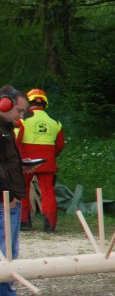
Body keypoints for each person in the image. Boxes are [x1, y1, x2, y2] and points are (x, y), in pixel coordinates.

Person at [0, 86, 40, 296]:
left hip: (9, 197)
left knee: (9, 255)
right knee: (2, 255)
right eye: (19, 110)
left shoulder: (6, 129)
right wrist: (5, 193)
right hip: (4, 198)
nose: (21, 116)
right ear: (4, 104)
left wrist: (20, 166)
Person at [16, 88, 64, 233]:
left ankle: (24, 222)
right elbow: (59, 146)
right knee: (48, 191)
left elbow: (16, 142)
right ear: (45, 103)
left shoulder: (23, 120)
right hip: (47, 162)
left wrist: (17, 159)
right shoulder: (55, 123)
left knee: (22, 189)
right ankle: (50, 225)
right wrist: (49, 156)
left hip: (26, 163)